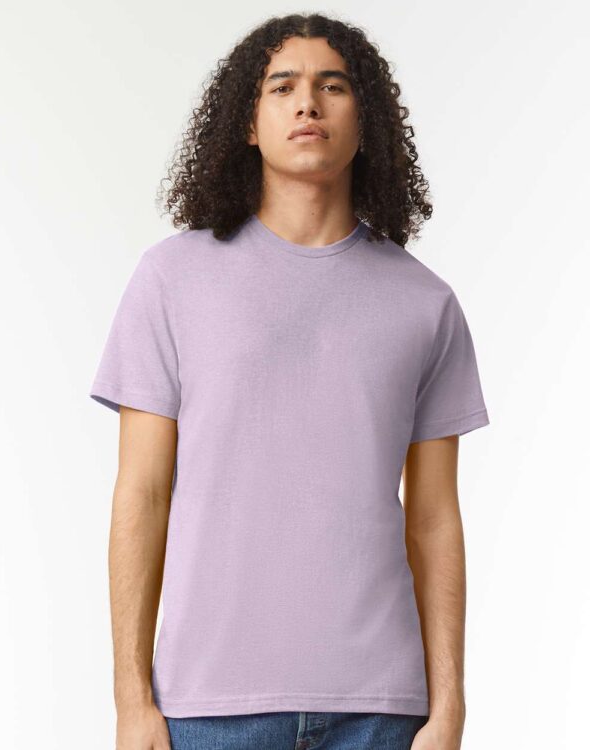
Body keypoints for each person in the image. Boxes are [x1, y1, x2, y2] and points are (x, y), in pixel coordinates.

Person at [89, 12, 490, 750]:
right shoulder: (172, 280)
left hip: (381, 709)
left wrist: (450, 706)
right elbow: (142, 495)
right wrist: (130, 699)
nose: (307, 102)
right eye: (282, 87)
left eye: (332, 86)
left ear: (365, 121)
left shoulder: (425, 302)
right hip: (208, 708)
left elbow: (434, 519)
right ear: (249, 123)